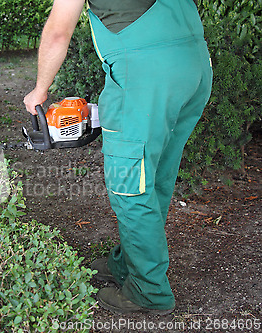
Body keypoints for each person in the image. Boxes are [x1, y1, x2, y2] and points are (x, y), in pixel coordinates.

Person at [24, 0, 212, 314]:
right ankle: (128, 263)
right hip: (194, 65)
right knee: (154, 174)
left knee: (130, 185)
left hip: (147, 75)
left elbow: (58, 31)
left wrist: (40, 89)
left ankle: (148, 291)